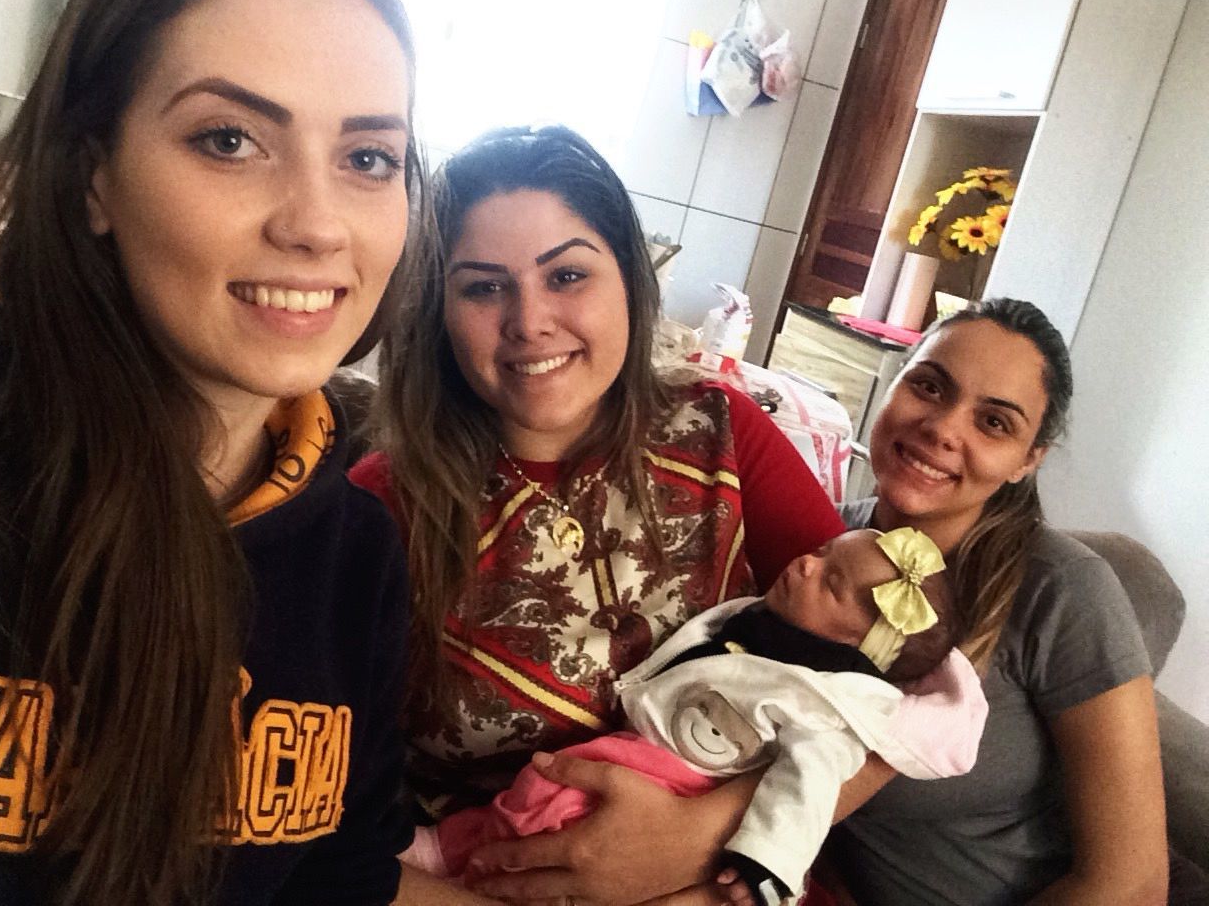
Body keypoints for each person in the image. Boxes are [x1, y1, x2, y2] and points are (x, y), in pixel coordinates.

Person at [349, 125, 986, 906]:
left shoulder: (722, 433)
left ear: (630, 280)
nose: (529, 320)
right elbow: (323, 840)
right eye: (483, 287)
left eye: (569, 275)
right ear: (435, 312)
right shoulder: (377, 511)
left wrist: (699, 841)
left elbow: (913, 691)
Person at [0, 0, 424, 903]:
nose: (319, 225)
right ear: (93, 175)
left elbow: (341, 880)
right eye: (230, 139)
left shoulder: (355, 559)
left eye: (368, 158)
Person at [403, 526, 968, 906]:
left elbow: (812, 783)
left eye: (832, 582)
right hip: (645, 750)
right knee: (547, 789)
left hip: (685, 782)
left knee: (557, 807)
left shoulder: (828, 702)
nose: (806, 563)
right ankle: (450, 848)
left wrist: (766, 862)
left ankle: (479, 867)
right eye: (823, 552)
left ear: (858, 649)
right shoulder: (765, 625)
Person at [824, 299, 1167, 905]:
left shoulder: (1065, 590)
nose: (942, 429)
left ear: (1029, 460)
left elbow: (1130, 883)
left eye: (995, 423)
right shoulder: (819, 546)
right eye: (929, 386)